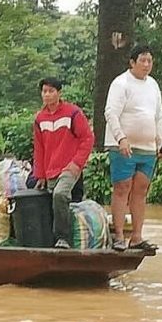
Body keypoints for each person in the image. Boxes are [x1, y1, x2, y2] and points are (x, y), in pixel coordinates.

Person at [104, 44, 162, 252]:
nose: (147, 65)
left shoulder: (153, 85)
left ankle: (137, 237)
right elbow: (111, 112)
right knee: (122, 188)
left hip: (148, 148)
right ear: (132, 62)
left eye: (150, 61)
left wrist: (160, 141)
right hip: (123, 146)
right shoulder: (121, 83)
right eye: (142, 60)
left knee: (141, 190)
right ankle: (119, 236)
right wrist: (121, 138)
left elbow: (159, 115)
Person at [32, 77, 95, 249]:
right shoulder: (39, 119)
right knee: (52, 201)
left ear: (59, 93)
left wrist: (77, 163)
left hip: (69, 167)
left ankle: (63, 238)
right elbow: (39, 149)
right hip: (51, 169)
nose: (47, 95)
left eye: (51, 91)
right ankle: (52, 239)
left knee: (60, 194)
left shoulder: (73, 113)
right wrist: (40, 175)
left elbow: (87, 139)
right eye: (44, 91)